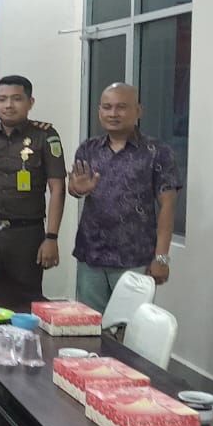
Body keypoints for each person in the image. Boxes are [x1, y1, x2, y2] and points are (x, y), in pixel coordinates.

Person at [69, 83, 182, 312]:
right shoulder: (88, 149)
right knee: (89, 324)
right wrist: (78, 189)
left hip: (135, 258)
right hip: (91, 256)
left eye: (121, 107)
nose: (113, 113)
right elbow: (75, 189)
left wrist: (161, 258)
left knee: (130, 327)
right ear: (99, 111)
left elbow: (168, 206)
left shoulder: (158, 152)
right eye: (107, 107)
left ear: (138, 111)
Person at [0, 75, 67, 302]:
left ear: (30, 102)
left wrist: (51, 237)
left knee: (26, 302)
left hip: (27, 237)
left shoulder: (45, 136)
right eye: (2, 99)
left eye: (17, 99)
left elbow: (58, 189)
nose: (9, 105)